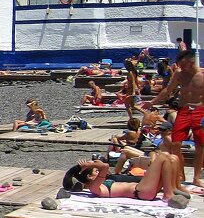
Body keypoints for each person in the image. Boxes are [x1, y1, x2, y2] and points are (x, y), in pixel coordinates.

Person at [145, 48, 204, 186]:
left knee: (200, 145)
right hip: (183, 110)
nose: (181, 68)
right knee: (175, 143)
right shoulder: (179, 73)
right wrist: (153, 102)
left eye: (183, 65)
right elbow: (168, 90)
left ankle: (196, 177)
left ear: (191, 62)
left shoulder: (202, 74)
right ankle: (181, 175)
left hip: (199, 110)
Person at [62, 153, 182, 202]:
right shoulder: (94, 188)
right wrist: (91, 164)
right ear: (89, 177)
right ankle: (168, 194)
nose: (98, 171)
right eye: (95, 171)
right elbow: (105, 166)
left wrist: (85, 166)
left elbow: (104, 168)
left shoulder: (99, 185)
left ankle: (174, 188)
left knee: (172, 159)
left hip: (143, 189)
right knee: (163, 156)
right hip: (140, 191)